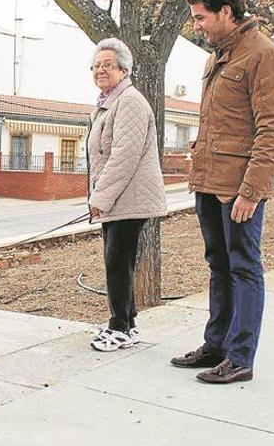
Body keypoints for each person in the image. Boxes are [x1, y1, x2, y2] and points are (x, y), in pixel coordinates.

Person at [171, 0, 274, 383]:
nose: (197, 25)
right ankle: (216, 346)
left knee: (244, 268)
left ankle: (240, 358)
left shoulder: (264, 55)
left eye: (201, 17)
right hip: (208, 183)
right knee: (218, 266)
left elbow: (273, 129)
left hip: (238, 190)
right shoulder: (217, 58)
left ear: (226, 11)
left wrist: (252, 192)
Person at [86, 38, 167, 352]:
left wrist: (100, 199)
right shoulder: (109, 102)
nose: (100, 70)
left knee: (117, 263)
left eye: (108, 64)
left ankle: (119, 327)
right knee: (119, 262)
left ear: (124, 69)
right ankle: (127, 324)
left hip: (128, 198)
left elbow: (124, 156)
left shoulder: (129, 101)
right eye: (96, 65)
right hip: (120, 198)